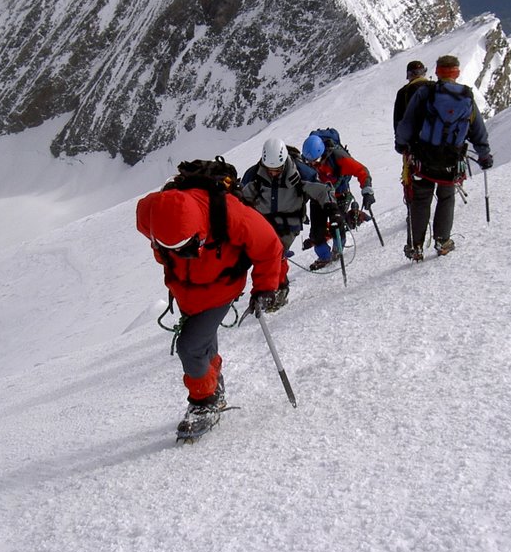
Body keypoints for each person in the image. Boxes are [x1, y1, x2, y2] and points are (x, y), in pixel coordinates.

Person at [136, 178, 284, 435]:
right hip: (185, 293)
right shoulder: (151, 214)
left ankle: (205, 401)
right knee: (203, 345)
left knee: (190, 346)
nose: (185, 254)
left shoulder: (227, 212)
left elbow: (269, 245)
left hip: (221, 290)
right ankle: (214, 386)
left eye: (190, 247)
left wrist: (265, 287)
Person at [394, 54, 493, 260]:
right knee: (446, 198)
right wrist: (484, 154)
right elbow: (477, 130)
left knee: (421, 200)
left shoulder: (425, 93)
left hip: (423, 158)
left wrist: (402, 144)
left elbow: (408, 122)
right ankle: (443, 241)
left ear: (437, 72)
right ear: (457, 73)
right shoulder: (466, 97)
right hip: (452, 160)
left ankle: (416, 247)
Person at [241, 138, 335, 306]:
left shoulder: (301, 172)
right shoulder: (254, 175)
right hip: (263, 221)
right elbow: (240, 198)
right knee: (270, 255)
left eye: (277, 169)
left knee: (275, 253)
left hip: (290, 221)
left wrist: (332, 208)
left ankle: (279, 288)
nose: (273, 173)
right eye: (270, 169)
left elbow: (322, 190)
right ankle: (276, 288)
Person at [299, 131, 375, 270]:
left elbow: (361, 170)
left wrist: (367, 191)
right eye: (308, 162)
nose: (312, 164)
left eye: (315, 161)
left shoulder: (339, 158)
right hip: (318, 198)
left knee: (337, 225)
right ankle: (324, 256)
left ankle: (337, 250)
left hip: (340, 195)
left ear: (323, 153)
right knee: (316, 232)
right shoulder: (308, 161)